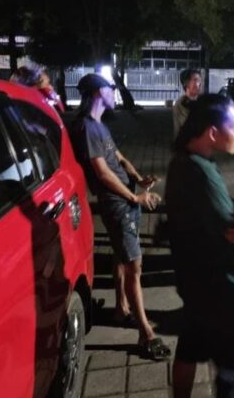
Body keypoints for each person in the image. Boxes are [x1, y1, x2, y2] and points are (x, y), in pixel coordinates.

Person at [70, 73, 170, 360]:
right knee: (134, 265)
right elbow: (102, 173)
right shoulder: (86, 127)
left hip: (125, 199)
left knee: (120, 255)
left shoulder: (99, 125)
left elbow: (119, 157)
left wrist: (138, 179)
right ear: (97, 92)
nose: (114, 91)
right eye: (110, 88)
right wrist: (134, 198)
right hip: (116, 203)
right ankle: (145, 334)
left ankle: (121, 308)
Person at [164, 94, 234, 398]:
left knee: (190, 345)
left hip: (193, 282)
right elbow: (233, 229)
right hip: (219, 291)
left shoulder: (182, 162)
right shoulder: (200, 172)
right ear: (213, 132)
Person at [173, 68, 203, 140]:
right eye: (195, 80)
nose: (199, 84)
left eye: (199, 80)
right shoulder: (179, 105)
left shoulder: (203, 102)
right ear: (186, 83)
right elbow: (178, 130)